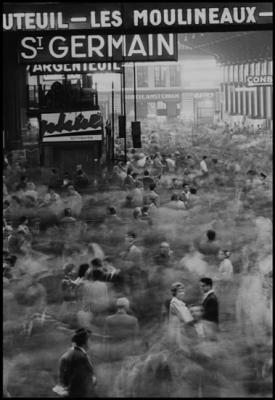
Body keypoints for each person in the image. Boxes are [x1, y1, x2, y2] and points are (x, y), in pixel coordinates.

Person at [57, 328, 97, 398]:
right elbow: (81, 382)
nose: (92, 342)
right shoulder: (80, 357)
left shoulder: (66, 355)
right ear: (85, 341)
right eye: (91, 339)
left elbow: (63, 381)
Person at [167, 282, 194, 349]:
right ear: (174, 293)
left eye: (183, 291)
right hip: (178, 331)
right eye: (179, 292)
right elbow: (186, 318)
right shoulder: (175, 303)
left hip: (182, 329)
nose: (182, 293)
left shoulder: (180, 303)